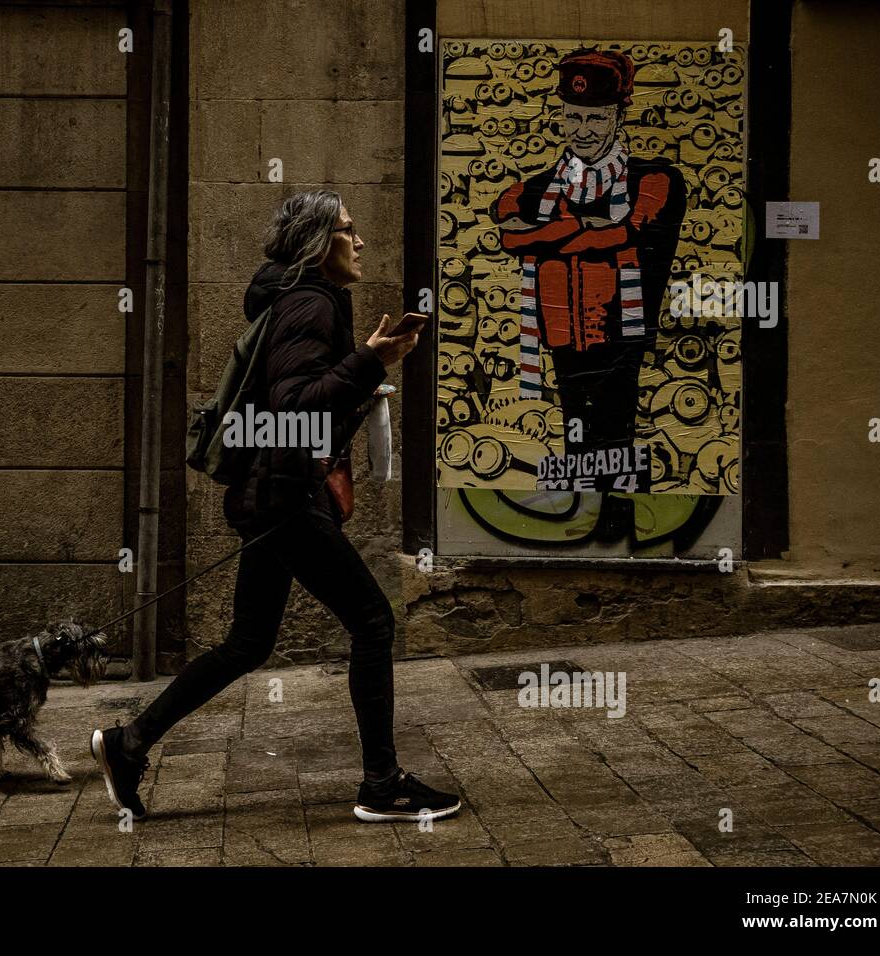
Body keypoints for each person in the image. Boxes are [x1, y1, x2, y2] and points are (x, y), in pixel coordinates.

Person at [91, 189, 462, 823]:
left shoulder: (300, 300)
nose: (361, 241)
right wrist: (369, 361)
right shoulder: (310, 303)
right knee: (373, 622)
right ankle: (381, 786)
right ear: (321, 244)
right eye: (348, 230)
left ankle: (128, 744)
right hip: (286, 499)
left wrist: (369, 364)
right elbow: (294, 405)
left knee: (247, 642)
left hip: (275, 494)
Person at [493, 48, 686, 487]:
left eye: (596, 119)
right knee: (575, 434)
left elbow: (621, 233)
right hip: (562, 337)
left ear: (619, 117)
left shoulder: (654, 179)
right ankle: (582, 517)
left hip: (622, 337)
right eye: (573, 118)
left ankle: (617, 521)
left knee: (616, 436)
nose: (582, 131)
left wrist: (551, 232)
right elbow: (510, 234)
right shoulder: (539, 186)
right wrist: (582, 223)